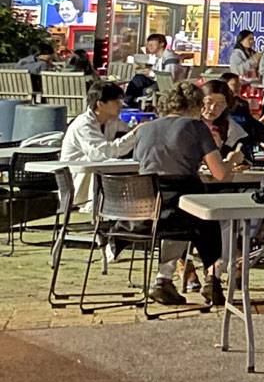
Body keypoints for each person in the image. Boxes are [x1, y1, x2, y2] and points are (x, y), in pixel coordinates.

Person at [130, 82, 235, 306]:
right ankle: (213, 277)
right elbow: (220, 174)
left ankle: (163, 280)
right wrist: (234, 160)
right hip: (185, 205)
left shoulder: (144, 129)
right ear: (196, 105)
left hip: (148, 208)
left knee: (176, 224)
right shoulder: (196, 127)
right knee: (223, 217)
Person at [59, 79, 136, 213]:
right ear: (100, 104)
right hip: (79, 182)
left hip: (95, 176)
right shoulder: (83, 125)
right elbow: (103, 154)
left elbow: (127, 133)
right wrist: (134, 134)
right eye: (116, 101)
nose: (120, 105)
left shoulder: (111, 121)